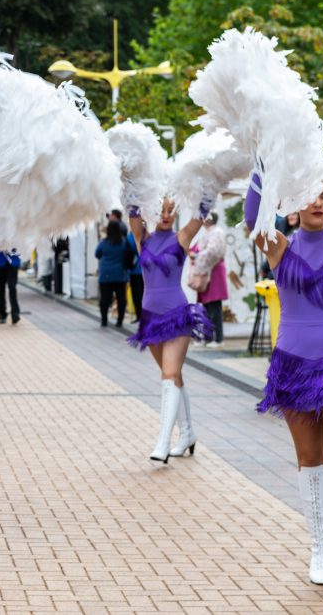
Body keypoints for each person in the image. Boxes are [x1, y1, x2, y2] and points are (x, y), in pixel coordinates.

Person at [247, 169, 323, 595]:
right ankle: (320, 547)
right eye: (309, 196)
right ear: (293, 205)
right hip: (293, 366)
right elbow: (253, 215)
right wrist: (263, 158)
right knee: (309, 460)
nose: (318, 203)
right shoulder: (279, 248)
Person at [128, 199, 212, 464]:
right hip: (150, 318)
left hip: (176, 315)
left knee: (169, 375)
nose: (165, 215)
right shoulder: (142, 237)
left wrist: (206, 186)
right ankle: (187, 433)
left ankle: (163, 442)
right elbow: (132, 205)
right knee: (174, 378)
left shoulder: (182, 236)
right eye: (160, 210)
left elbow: (201, 212)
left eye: (170, 210)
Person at [190, 212, 228, 348]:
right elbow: (198, 249)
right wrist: (194, 253)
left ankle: (217, 338)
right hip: (208, 272)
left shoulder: (216, 232)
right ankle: (207, 337)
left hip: (214, 271)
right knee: (207, 306)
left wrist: (197, 255)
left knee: (214, 306)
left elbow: (214, 252)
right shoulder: (207, 233)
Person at [95, 220, 131, 328]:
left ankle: (104, 320)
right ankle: (119, 321)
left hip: (105, 274)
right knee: (121, 299)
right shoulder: (124, 242)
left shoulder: (103, 243)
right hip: (120, 274)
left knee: (105, 298)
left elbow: (97, 254)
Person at [126, 230, 143, 323]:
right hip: (145, 269)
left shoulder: (130, 237)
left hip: (134, 270)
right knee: (144, 294)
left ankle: (139, 315)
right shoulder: (145, 235)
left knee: (136, 294)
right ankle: (144, 316)